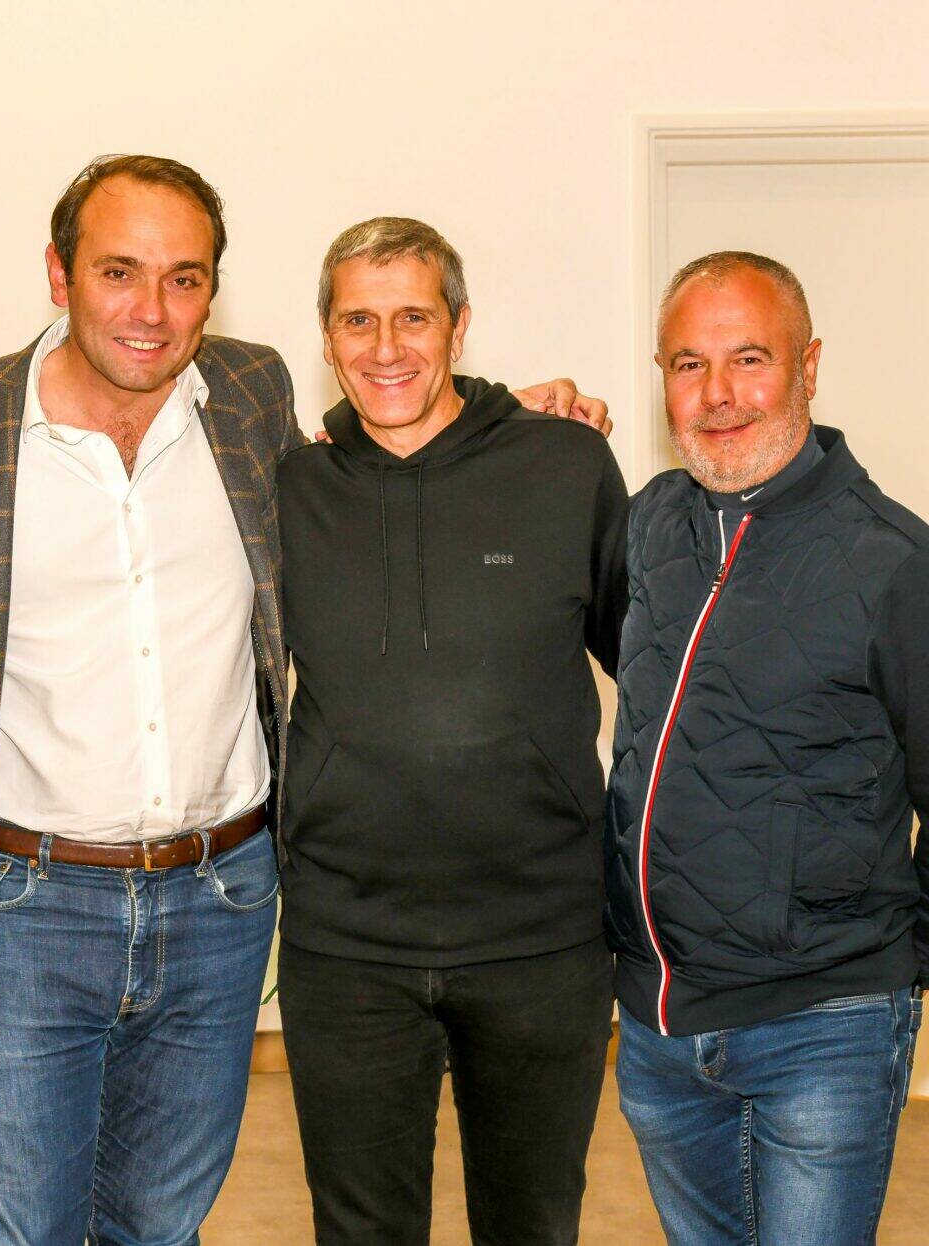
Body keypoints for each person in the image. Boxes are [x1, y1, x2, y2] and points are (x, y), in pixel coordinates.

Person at [0, 154, 605, 1245]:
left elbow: (414, 431)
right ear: (58, 275)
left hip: (219, 904)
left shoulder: (249, 398)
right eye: (120, 271)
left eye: (185, 278)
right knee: (19, 1228)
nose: (152, 310)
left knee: (163, 1224)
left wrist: (520, 415)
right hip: (26, 908)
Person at [272, 218, 626, 1245]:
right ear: (329, 339)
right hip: (347, 949)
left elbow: (651, 674)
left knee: (533, 1225)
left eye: (414, 317)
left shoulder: (567, 465)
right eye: (359, 321)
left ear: (460, 329)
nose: (387, 347)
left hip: (542, 943)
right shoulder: (290, 489)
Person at [607, 251, 927, 1245]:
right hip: (659, 1026)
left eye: (750, 358)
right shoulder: (654, 521)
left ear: (808, 364)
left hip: (820, 1028)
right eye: (687, 364)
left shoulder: (892, 560)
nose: (718, 395)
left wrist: (894, 958)